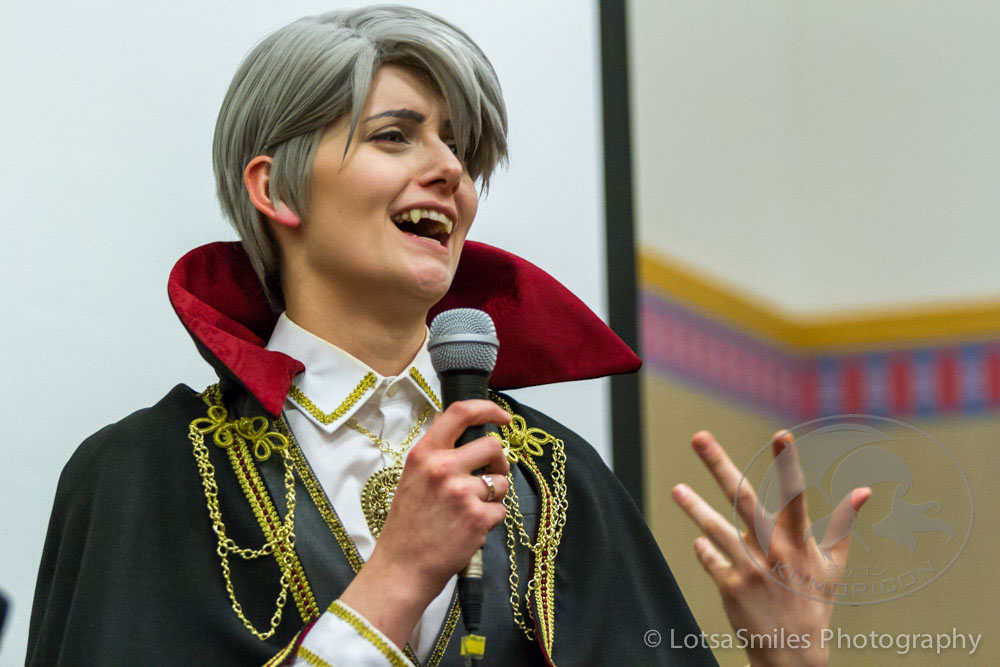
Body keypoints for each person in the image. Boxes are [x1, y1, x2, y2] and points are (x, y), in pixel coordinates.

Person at [27, 6, 866, 666]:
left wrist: (789, 658)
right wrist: (397, 577)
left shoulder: (557, 478)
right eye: (395, 135)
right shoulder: (146, 473)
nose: (451, 172)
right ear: (275, 190)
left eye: (459, 148)